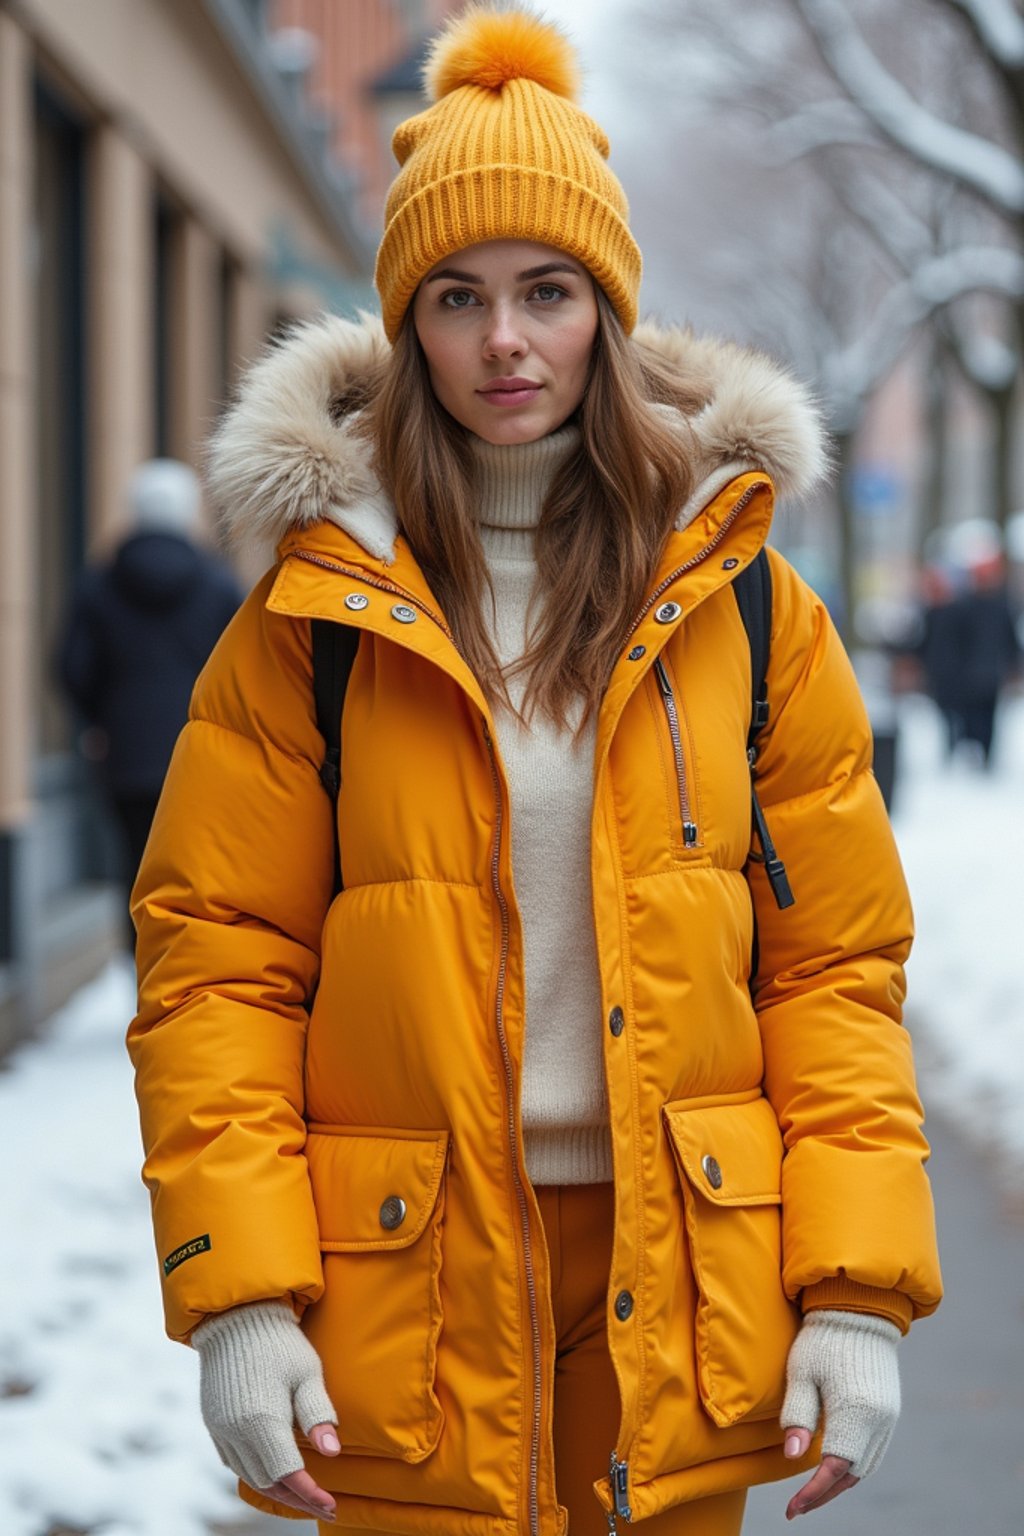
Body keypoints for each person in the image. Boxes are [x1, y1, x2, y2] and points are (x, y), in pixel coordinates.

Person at [128, 10, 942, 1536]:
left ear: (607, 314)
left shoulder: (749, 604)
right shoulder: (313, 616)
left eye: (549, 292)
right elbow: (217, 970)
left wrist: (858, 1290)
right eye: (460, 296)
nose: (507, 342)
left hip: (684, 1268)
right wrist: (240, 1297)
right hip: (409, 1283)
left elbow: (834, 970)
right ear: (411, 324)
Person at [58, 458, 241, 946]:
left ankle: (138, 975)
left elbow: (72, 666)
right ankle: (185, 977)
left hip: (126, 755)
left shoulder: (98, 585)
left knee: (136, 866)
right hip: (200, 753)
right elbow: (248, 671)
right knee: (195, 871)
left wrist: (99, 720)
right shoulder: (219, 585)